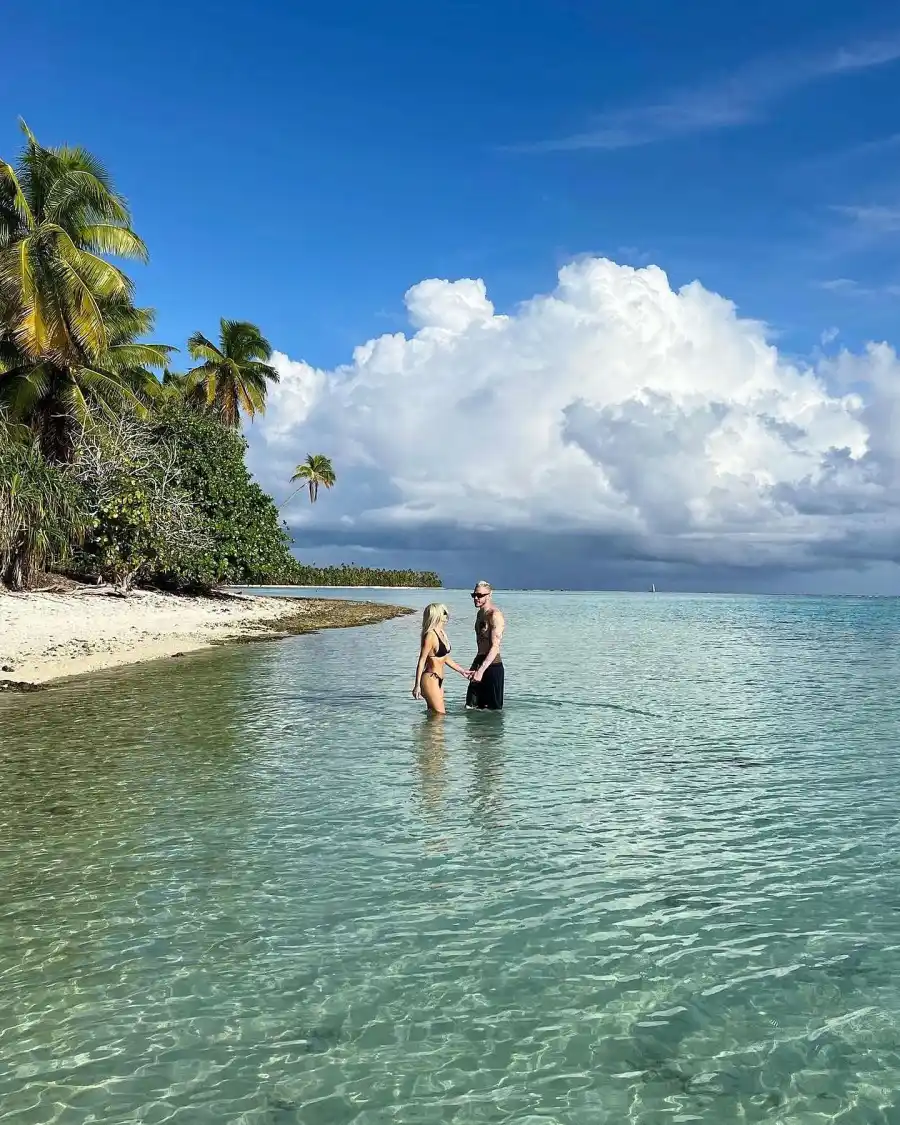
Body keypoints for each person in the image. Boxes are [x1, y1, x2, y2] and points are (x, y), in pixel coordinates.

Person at [412, 603, 472, 714]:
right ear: (436, 615)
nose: (447, 615)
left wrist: (462, 671)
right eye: (444, 613)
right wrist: (417, 686)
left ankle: (424, 727)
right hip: (430, 679)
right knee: (440, 715)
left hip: (439, 680)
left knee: (434, 715)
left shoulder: (441, 632)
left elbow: (445, 658)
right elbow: (422, 660)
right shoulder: (430, 635)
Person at [466, 581, 505, 711]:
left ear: (489, 595)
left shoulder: (495, 615)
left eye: (480, 595)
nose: (476, 598)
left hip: (492, 666)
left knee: (493, 711)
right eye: (474, 595)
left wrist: (481, 671)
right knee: (471, 706)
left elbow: (495, 647)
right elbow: (481, 645)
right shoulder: (479, 614)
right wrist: (474, 666)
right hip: (480, 662)